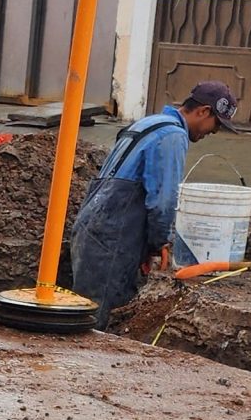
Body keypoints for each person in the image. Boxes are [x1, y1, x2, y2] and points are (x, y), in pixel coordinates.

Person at [65, 81, 239, 314]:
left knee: (83, 310)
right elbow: (164, 199)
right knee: (96, 319)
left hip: (91, 229)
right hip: (112, 238)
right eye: (216, 123)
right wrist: (160, 243)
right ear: (203, 111)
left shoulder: (149, 123)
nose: (215, 131)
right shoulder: (173, 136)